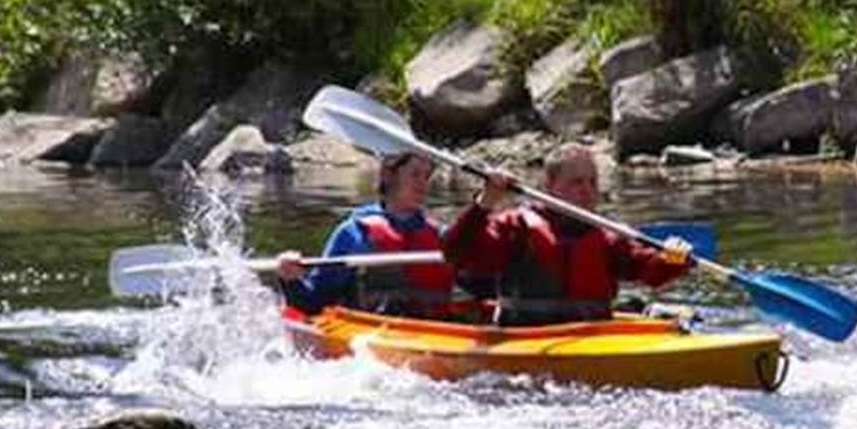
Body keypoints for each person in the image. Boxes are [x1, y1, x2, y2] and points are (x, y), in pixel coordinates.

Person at [442, 143, 694, 325]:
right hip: (529, 337)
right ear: (549, 187)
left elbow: (649, 272)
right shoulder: (516, 226)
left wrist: (674, 258)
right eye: (576, 182)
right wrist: (485, 203)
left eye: (592, 182)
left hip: (594, 339)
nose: (587, 191)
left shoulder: (608, 235)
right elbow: (456, 252)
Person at [277, 151, 455, 318]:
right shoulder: (354, 234)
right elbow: (314, 302)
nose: (423, 184)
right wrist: (290, 279)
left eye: (427, 176)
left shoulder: (442, 235)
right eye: (415, 174)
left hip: (436, 331)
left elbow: (476, 281)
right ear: (388, 175)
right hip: (371, 332)